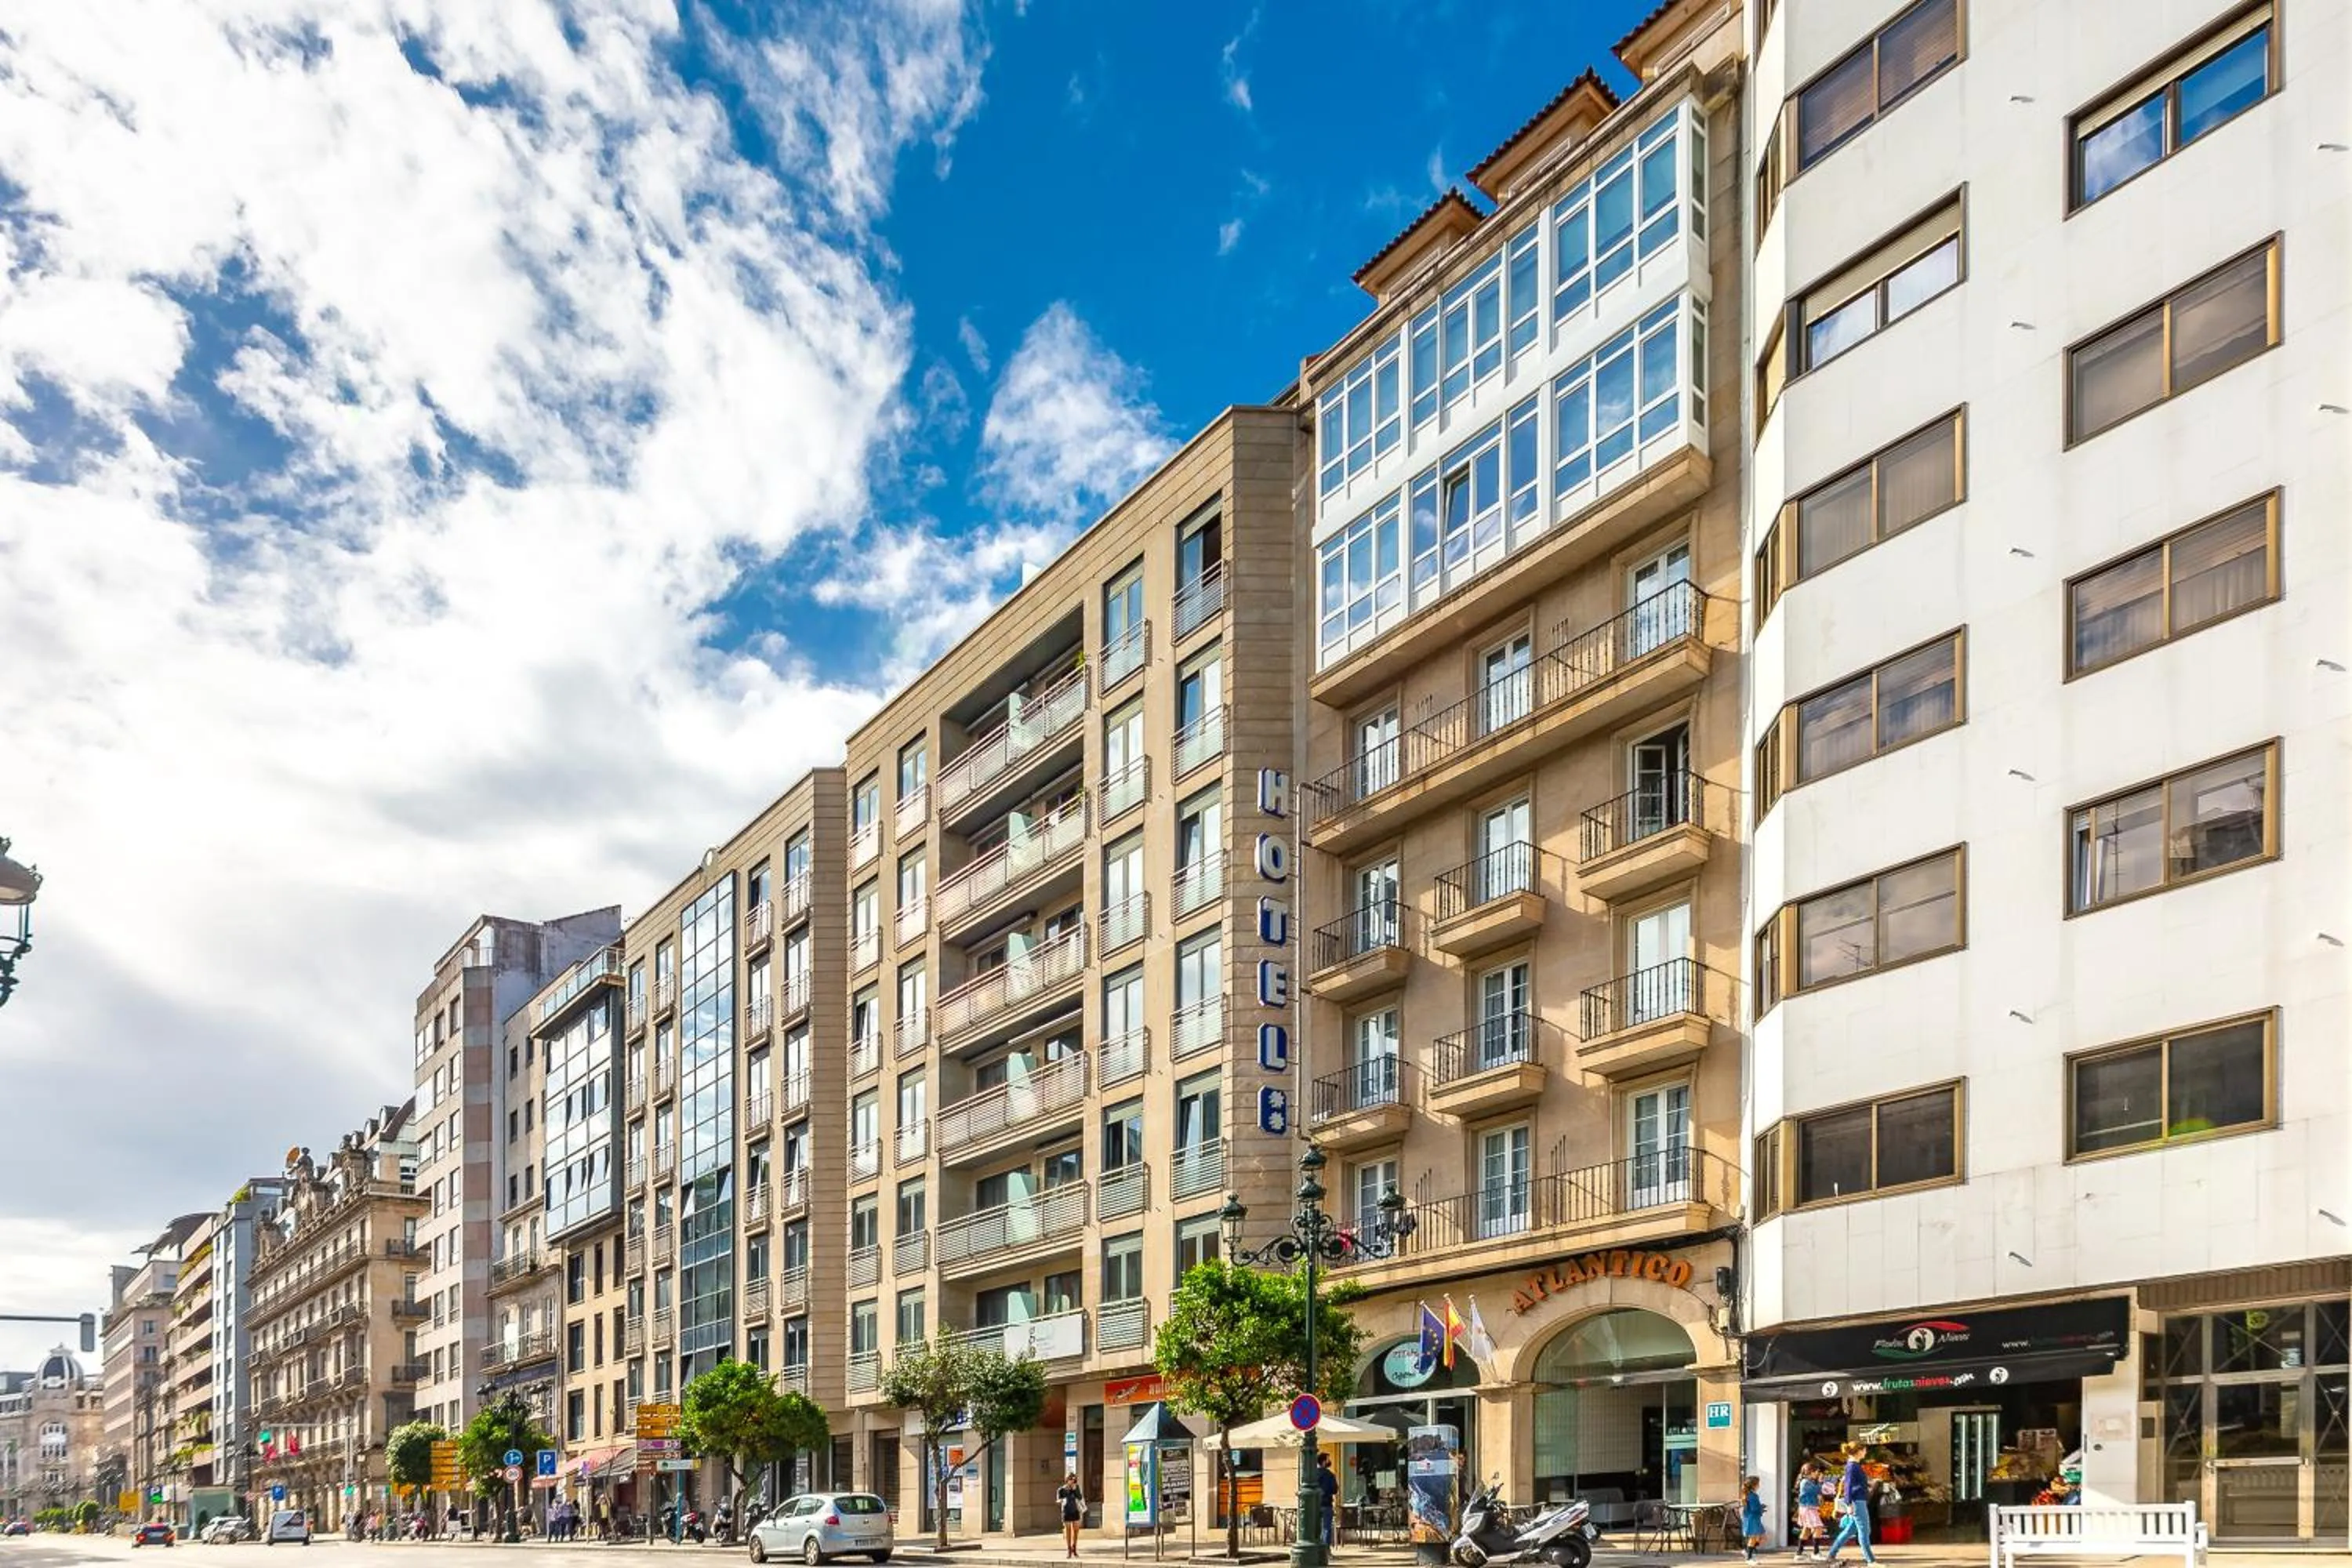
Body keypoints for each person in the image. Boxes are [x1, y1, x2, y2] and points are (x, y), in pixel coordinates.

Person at [1824, 1444, 1876, 1566]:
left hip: (1858, 1500)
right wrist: (1848, 1503)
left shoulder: (1854, 1466)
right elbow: (1848, 1486)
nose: (1865, 1452)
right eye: (1864, 1450)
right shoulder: (1852, 1466)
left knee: (1850, 1530)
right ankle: (1871, 1561)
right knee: (1864, 1530)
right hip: (1857, 1502)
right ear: (1858, 1451)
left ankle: (1832, 1553)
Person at [1794, 1464, 1826, 1560]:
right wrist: (1820, 1482)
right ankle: (1816, 1553)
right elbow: (1816, 1491)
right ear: (1811, 1472)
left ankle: (1799, 1553)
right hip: (1808, 1509)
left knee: (1807, 1530)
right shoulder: (1806, 1482)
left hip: (1808, 1508)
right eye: (1817, 1472)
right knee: (1819, 1528)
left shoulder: (1808, 1482)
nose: (1818, 1474)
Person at [1057, 1472, 1085, 1559]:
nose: (1072, 1481)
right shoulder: (1062, 1489)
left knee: (1076, 1531)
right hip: (1066, 1511)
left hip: (1075, 1511)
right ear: (1067, 1480)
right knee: (1068, 1531)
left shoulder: (1076, 1488)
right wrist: (1062, 1501)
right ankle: (1069, 1549)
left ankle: (1074, 1547)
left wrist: (1075, 1489)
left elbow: (1080, 1497)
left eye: (1073, 1480)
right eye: (1070, 1479)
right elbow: (1058, 1500)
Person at [1740, 1476, 1766, 1564]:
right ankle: (1749, 1558)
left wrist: (1760, 1507)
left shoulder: (1749, 1495)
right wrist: (1761, 1508)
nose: (1759, 1485)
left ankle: (1747, 1551)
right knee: (1753, 1538)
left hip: (1752, 1518)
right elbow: (1754, 1509)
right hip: (1753, 1519)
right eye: (1758, 1484)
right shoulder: (1753, 1496)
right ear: (1754, 1485)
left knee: (1762, 1538)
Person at [1316, 1454, 1339, 1546]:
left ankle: (1316, 1548)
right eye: (1328, 1459)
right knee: (1326, 1528)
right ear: (1324, 1461)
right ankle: (1325, 1550)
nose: (1330, 1461)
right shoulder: (1330, 1475)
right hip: (1326, 1504)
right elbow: (1335, 1490)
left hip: (1315, 1505)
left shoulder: (1312, 1474)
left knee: (1315, 1528)